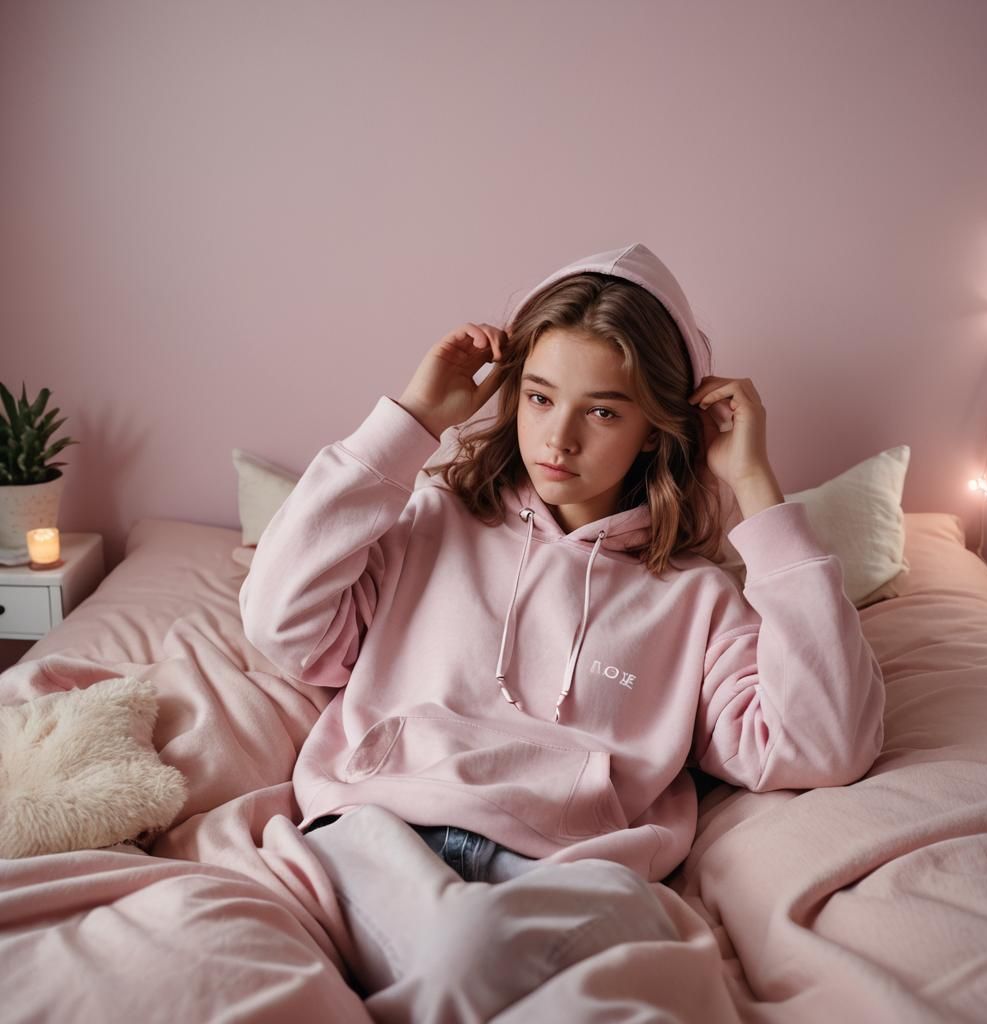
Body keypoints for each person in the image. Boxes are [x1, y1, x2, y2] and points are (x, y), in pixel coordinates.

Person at [239, 242, 885, 1019]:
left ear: (655, 429)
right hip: (378, 833)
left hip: (573, 873)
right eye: (539, 398)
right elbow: (280, 623)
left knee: (559, 957)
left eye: (603, 411)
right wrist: (409, 424)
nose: (557, 440)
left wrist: (755, 486)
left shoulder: (696, 600)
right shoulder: (426, 526)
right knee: (468, 953)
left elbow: (823, 746)